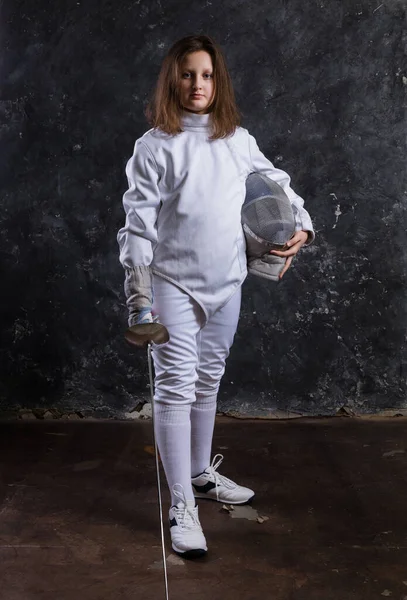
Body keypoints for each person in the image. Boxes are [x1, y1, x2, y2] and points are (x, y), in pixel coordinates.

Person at [117, 35, 315, 559]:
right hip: (173, 283)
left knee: (209, 379)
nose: (197, 85)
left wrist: (303, 227)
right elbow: (137, 225)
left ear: (217, 81)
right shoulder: (155, 146)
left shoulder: (236, 139)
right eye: (187, 75)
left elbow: (279, 184)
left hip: (228, 281)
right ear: (172, 80)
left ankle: (201, 473)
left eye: (206, 75)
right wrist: (139, 293)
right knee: (177, 385)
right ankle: (181, 503)